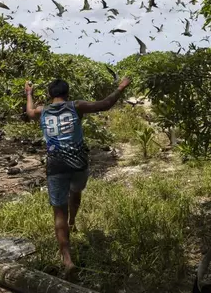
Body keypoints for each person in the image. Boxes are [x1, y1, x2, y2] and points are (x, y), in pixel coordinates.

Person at [25, 77, 131, 271]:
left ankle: (67, 260)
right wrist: (120, 88)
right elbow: (105, 104)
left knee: (59, 212)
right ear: (67, 93)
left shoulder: (43, 111)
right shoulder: (76, 106)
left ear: (50, 95)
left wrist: (29, 93)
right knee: (76, 191)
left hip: (56, 166)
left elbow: (30, 112)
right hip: (78, 164)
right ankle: (73, 221)